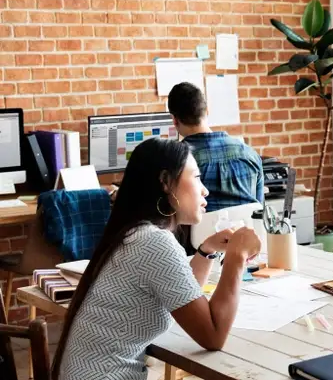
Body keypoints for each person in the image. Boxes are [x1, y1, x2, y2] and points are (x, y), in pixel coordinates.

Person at [52, 138, 261, 380]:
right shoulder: (153, 242)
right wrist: (236, 257)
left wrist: (206, 251)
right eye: (195, 178)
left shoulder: (135, 232)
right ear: (165, 182)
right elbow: (213, 335)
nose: (204, 190)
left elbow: (180, 295)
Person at [168, 82, 264, 213]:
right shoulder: (250, 154)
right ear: (207, 111)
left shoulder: (176, 160)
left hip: (199, 233)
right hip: (247, 232)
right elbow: (260, 209)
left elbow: (171, 214)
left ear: (174, 120)